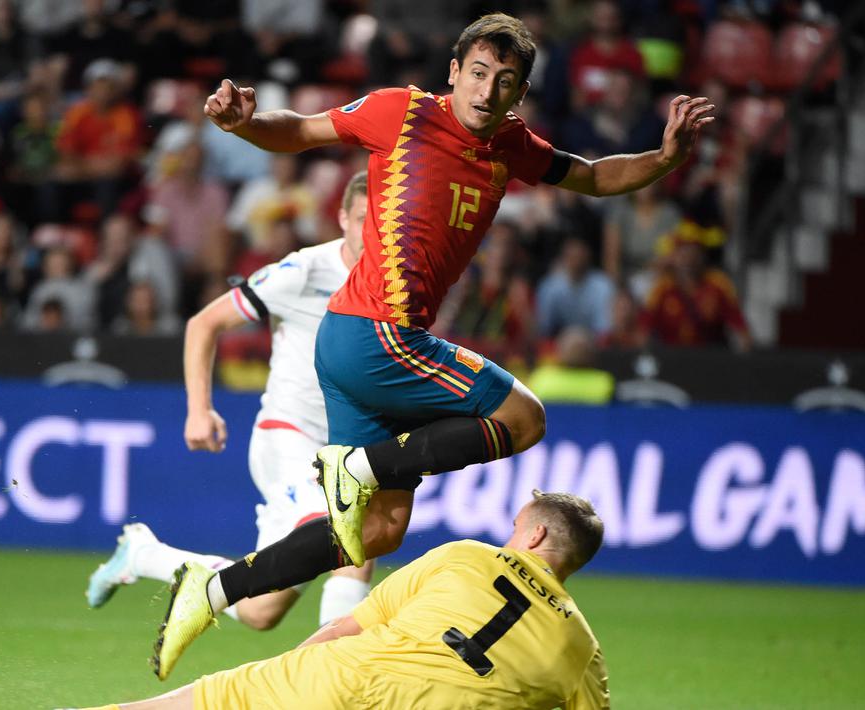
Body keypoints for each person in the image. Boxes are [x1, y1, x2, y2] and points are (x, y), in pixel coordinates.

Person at [153, 11, 713, 680]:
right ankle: (357, 470)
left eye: (504, 81)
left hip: (363, 348)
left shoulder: (511, 144)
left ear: (519, 92)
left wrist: (665, 157)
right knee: (524, 418)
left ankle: (211, 591)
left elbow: (591, 176)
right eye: (476, 73)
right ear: (453, 72)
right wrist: (241, 122)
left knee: (375, 533)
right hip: (373, 334)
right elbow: (300, 131)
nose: (485, 91)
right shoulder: (402, 112)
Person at [85, 173, 372, 632]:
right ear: (341, 218)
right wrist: (199, 408)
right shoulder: (305, 272)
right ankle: (336, 683)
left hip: (347, 452)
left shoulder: (401, 284)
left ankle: (145, 554)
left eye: (383, 220)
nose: (372, 230)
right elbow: (204, 323)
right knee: (349, 539)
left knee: (261, 610)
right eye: (362, 218)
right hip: (290, 438)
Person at [87, 490, 608, 709]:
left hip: (344, 680)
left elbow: (345, 629)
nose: (508, 534)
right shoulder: (582, 646)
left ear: (535, 538)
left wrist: (283, 679)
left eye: (515, 527)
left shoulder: (468, 556)